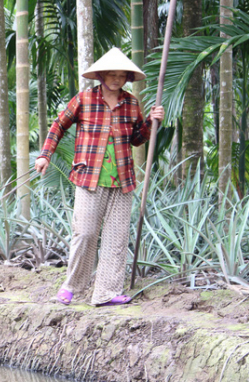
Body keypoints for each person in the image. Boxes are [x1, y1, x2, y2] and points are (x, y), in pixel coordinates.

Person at [34, 47, 165, 307]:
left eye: (121, 75)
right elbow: (59, 125)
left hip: (122, 180)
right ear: (101, 75)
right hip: (88, 178)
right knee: (84, 233)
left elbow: (138, 139)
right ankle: (72, 287)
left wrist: (151, 122)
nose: (116, 79)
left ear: (127, 78)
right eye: (111, 74)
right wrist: (45, 155)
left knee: (116, 238)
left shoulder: (130, 103)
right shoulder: (84, 99)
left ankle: (106, 292)